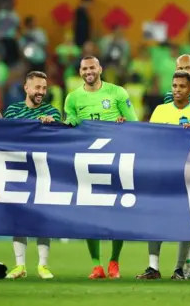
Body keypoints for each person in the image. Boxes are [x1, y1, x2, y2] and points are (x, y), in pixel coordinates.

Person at [63, 55, 138, 280]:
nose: (89, 71)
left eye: (92, 67)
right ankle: (96, 265)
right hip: (88, 163)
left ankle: (114, 261)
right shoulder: (73, 98)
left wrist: (122, 125)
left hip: (115, 161)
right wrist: (71, 122)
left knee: (118, 214)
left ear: (100, 69)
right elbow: (70, 122)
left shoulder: (117, 93)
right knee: (90, 214)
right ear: (80, 71)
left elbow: (134, 123)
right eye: (85, 68)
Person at [136, 71, 190, 281]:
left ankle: (179, 269)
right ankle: (153, 267)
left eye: (182, 86)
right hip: (161, 173)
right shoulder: (160, 110)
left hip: (187, 175)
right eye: (174, 86)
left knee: (186, 220)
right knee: (155, 219)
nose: (177, 90)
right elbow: (151, 140)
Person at [4, 71, 61, 280]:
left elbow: (59, 136)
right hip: (18, 170)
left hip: (43, 172)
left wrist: (50, 124)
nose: (41, 92)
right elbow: (3, 135)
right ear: (26, 88)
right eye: (37, 88)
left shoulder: (52, 112)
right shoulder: (12, 111)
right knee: (18, 219)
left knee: (42, 219)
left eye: (44, 88)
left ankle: (43, 265)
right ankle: (20, 266)